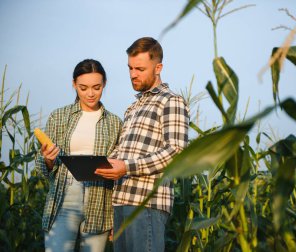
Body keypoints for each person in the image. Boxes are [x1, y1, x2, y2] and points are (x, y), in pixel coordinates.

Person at [95, 37, 190, 251]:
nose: (132, 74)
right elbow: (122, 153)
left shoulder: (170, 101)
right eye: (130, 68)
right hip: (121, 204)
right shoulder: (133, 107)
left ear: (158, 68)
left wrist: (126, 167)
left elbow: (176, 152)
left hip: (147, 204)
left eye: (139, 68)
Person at [35, 59, 123, 252]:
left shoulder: (116, 123)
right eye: (83, 88)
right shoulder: (58, 117)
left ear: (104, 84)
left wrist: (117, 217)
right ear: (74, 84)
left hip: (100, 202)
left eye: (96, 87)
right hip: (64, 198)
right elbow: (42, 166)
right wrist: (48, 159)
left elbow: (119, 173)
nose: (90, 93)